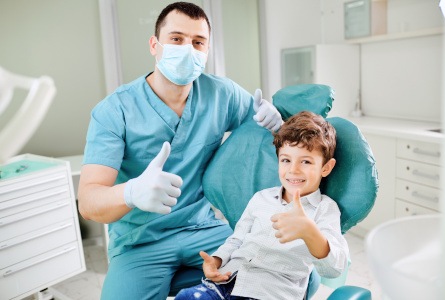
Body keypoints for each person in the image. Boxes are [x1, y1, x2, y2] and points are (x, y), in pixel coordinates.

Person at [77, 2, 282, 299]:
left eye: (198, 42)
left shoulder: (222, 94)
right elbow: (89, 201)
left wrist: (278, 123)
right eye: (176, 39)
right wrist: (131, 192)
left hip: (204, 230)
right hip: (140, 242)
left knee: (289, 275)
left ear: (207, 50)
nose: (188, 49)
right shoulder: (114, 110)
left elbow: (278, 139)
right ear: (154, 45)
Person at [175, 111, 350, 300]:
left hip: (269, 292)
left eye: (306, 161)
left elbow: (335, 268)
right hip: (226, 281)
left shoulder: (325, 209)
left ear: (326, 167)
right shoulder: (261, 198)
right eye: (286, 160)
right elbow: (237, 239)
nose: (293, 169)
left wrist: (310, 232)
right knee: (186, 297)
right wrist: (216, 260)